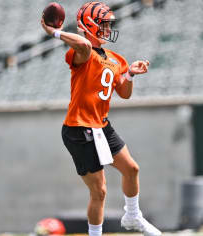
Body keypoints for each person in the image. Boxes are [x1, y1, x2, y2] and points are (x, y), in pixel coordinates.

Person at [41, 2, 161, 236]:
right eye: (103, 25)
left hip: (100, 125)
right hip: (79, 128)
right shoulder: (82, 53)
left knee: (132, 169)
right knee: (100, 191)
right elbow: (84, 44)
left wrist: (130, 74)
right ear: (89, 26)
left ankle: (133, 215)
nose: (108, 29)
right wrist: (54, 32)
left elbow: (124, 94)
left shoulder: (115, 59)